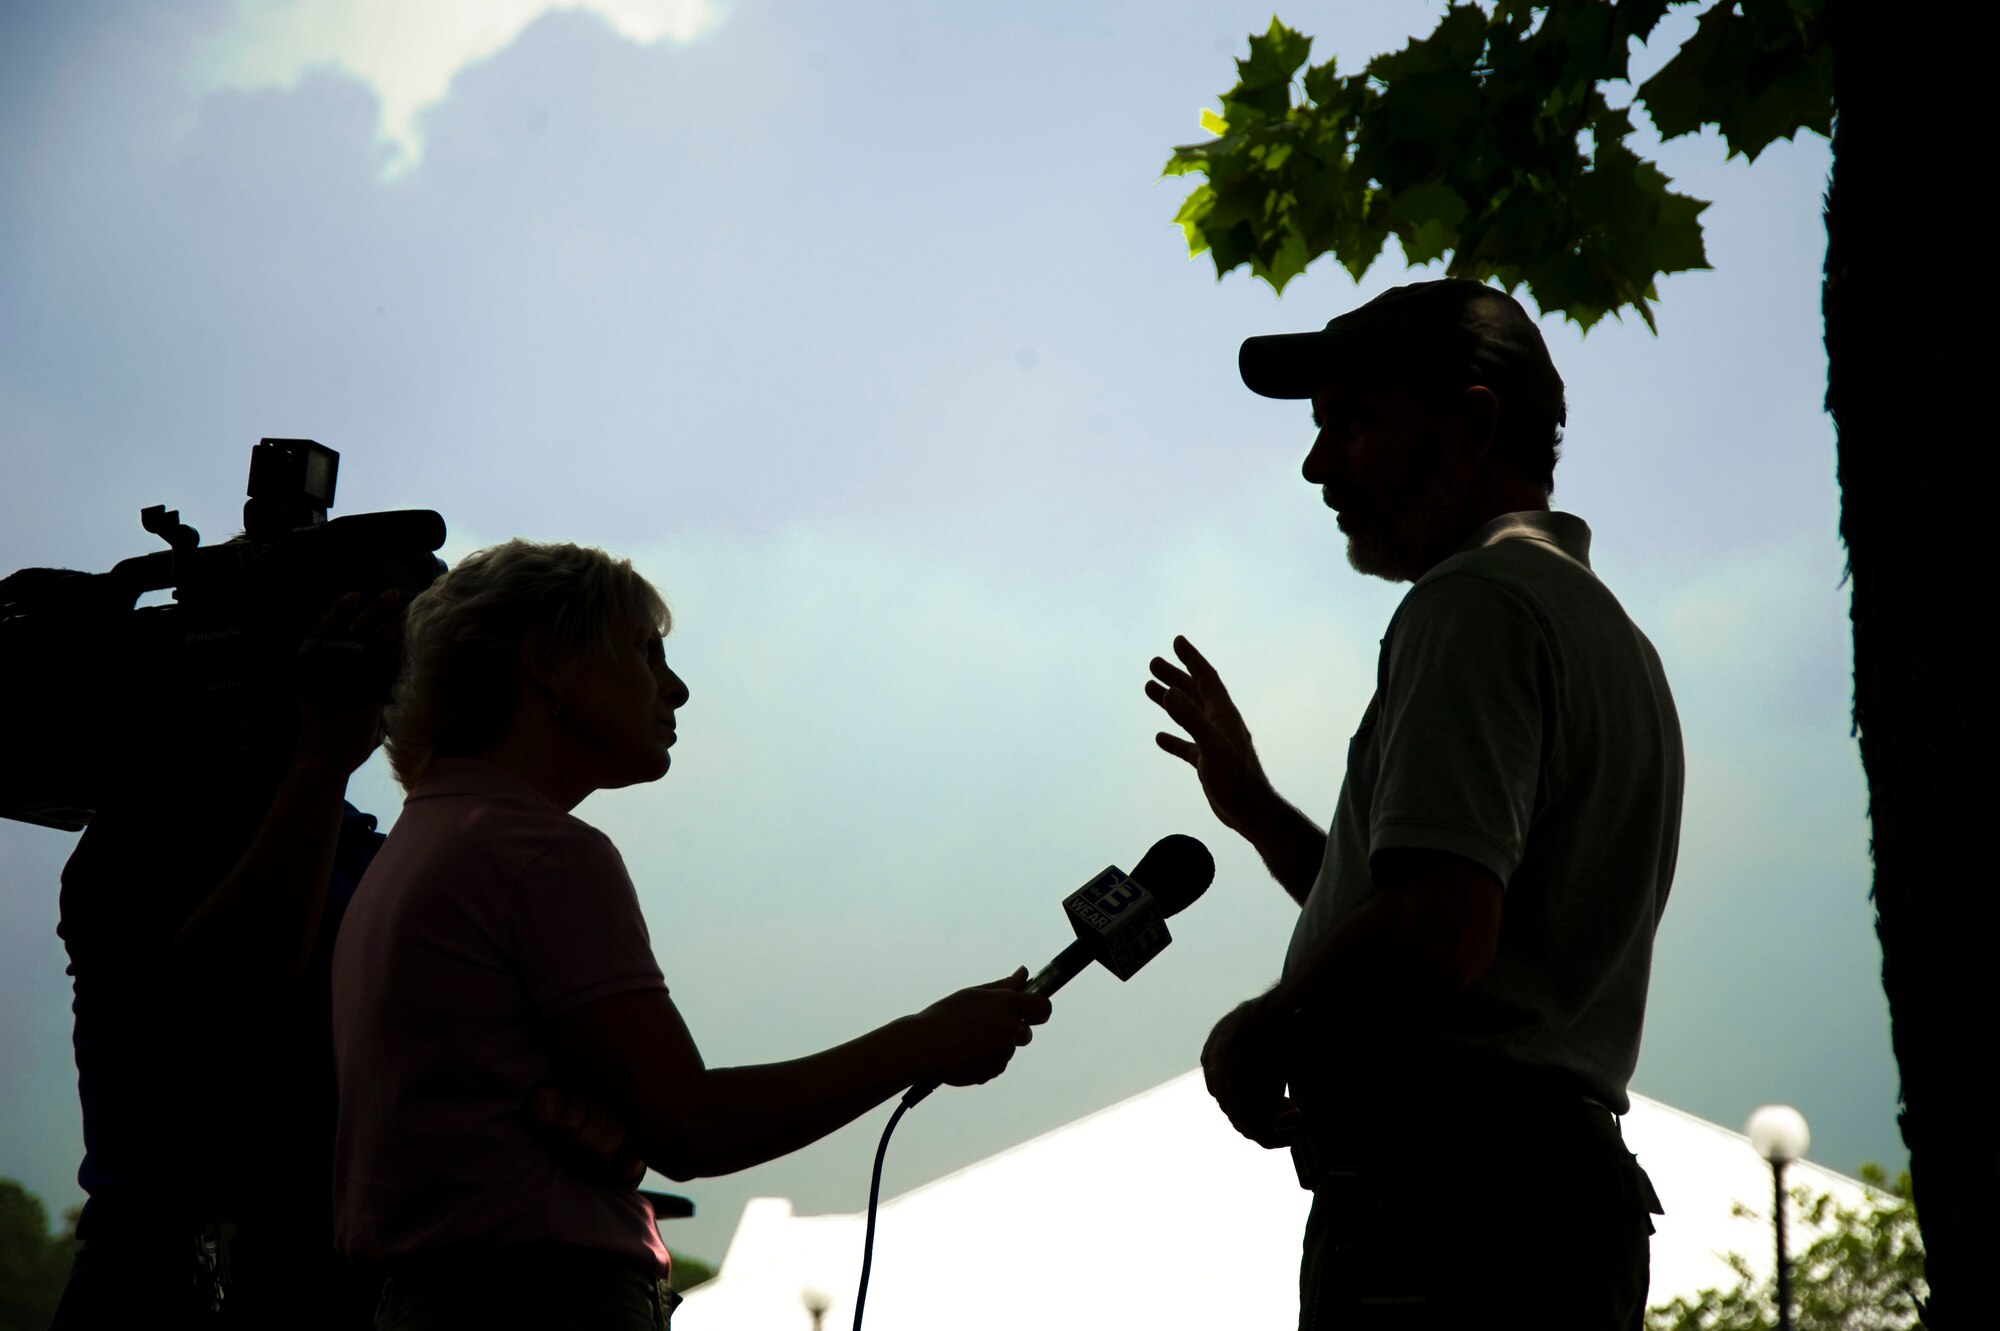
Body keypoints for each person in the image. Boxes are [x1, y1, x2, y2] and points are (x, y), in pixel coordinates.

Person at [331, 539, 1050, 1330]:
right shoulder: (541, 853)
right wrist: (921, 1041)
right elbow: (694, 1125)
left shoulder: (414, 849)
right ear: (546, 663)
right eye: (646, 651)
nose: (674, 686)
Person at [1147, 279, 1682, 1328]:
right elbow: (1454, 908)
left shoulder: (1469, 603)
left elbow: (1436, 935)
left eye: (1352, 422)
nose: (1315, 462)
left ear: (1472, 423)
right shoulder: (1595, 626)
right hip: (1544, 1207)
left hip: (1448, 1206)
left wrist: (1263, 1029)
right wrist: (1259, 811)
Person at [52, 589, 403, 1330]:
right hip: (175, 1283)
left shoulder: (342, 837)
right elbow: (232, 992)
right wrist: (320, 760)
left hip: (312, 1275)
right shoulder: (147, 831)